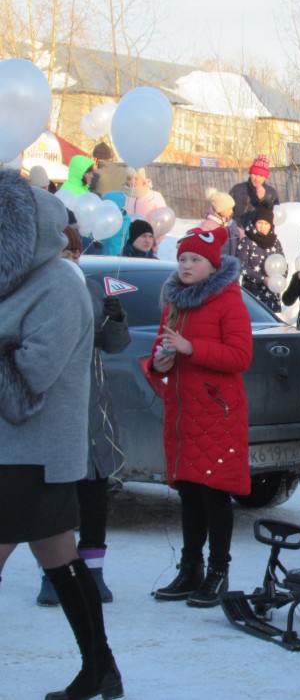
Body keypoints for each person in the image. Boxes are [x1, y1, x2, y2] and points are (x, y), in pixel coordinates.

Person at [0, 170, 124, 700]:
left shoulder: (59, 283)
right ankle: (101, 670)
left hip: (34, 455)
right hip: (17, 454)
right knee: (60, 560)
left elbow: (31, 377)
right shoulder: (17, 282)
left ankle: (101, 670)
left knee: (60, 560)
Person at [146, 227, 252, 608]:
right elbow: (160, 351)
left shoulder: (229, 301)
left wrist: (191, 347)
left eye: (195, 259)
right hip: (183, 413)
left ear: (213, 265)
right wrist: (159, 363)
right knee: (189, 491)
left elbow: (241, 356)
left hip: (217, 413)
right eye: (182, 259)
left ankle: (218, 571)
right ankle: (190, 567)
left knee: (214, 492)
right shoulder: (175, 302)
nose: (186, 265)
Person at [36, 228, 132, 609]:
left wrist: (116, 319)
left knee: (94, 492)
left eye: (75, 254)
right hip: (52, 408)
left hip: (92, 407)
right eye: (64, 254)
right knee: (54, 495)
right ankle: (52, 575)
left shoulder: (92, 289)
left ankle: (93, 571)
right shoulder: (36, 291)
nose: (71, 261)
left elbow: (115, 345)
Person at [237, 204, 284, 313]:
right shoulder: (247, 241)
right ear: (255, 223)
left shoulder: (276, 242)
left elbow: (283, 263)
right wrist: (262, 279)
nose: (263, 226)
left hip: (272, 294)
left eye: (266, 223)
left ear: (270, 225)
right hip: (253, 293)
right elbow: (242, 266)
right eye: (260, 222)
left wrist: (279, 279)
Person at [231, 153, 281, 228]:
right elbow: (227, 210)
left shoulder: (271, 193)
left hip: (257, 232)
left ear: (265, 177)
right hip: (236, 230)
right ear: (250, 173)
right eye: (254, 174)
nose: (257, 178)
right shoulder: (237, 188)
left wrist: (263, 199)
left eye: (261, 175)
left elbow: (273, 215)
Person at [201, 189, 241, 259]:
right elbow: (200, 241)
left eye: (232, 208)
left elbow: (241, 234)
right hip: (216, 260)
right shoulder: (208, 225)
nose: (231, 211)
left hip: (232, 259)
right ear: (219, 209)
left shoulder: (232, 223)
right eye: (228, 209)